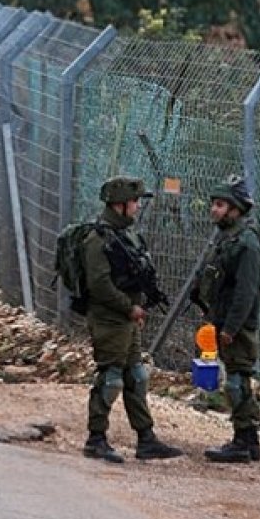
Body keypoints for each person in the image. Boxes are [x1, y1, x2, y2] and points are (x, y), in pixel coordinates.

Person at [81, 176, 184, 463]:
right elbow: (99, 284)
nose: (138, 207)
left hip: (126, 317)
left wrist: (137, 307)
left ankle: (146, 438)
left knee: (136, 377)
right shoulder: (97, 239)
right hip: (109, 318)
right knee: (111, 378)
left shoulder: (128, 237)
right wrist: (129, 308)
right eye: (134, 202)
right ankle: (96, 438)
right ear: (119, 204)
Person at [191, 174, 260, 463]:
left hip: (239, 325)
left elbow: (246, 291)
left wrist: (231, 328)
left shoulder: (247, 244)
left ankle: (242, 443)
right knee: (237, 380)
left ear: (236, 209)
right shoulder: (228, 239)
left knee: (236, 382)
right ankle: (249, 442)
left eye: (220, 205)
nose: (214, 210)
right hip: (225, 321)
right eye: (214, 204)